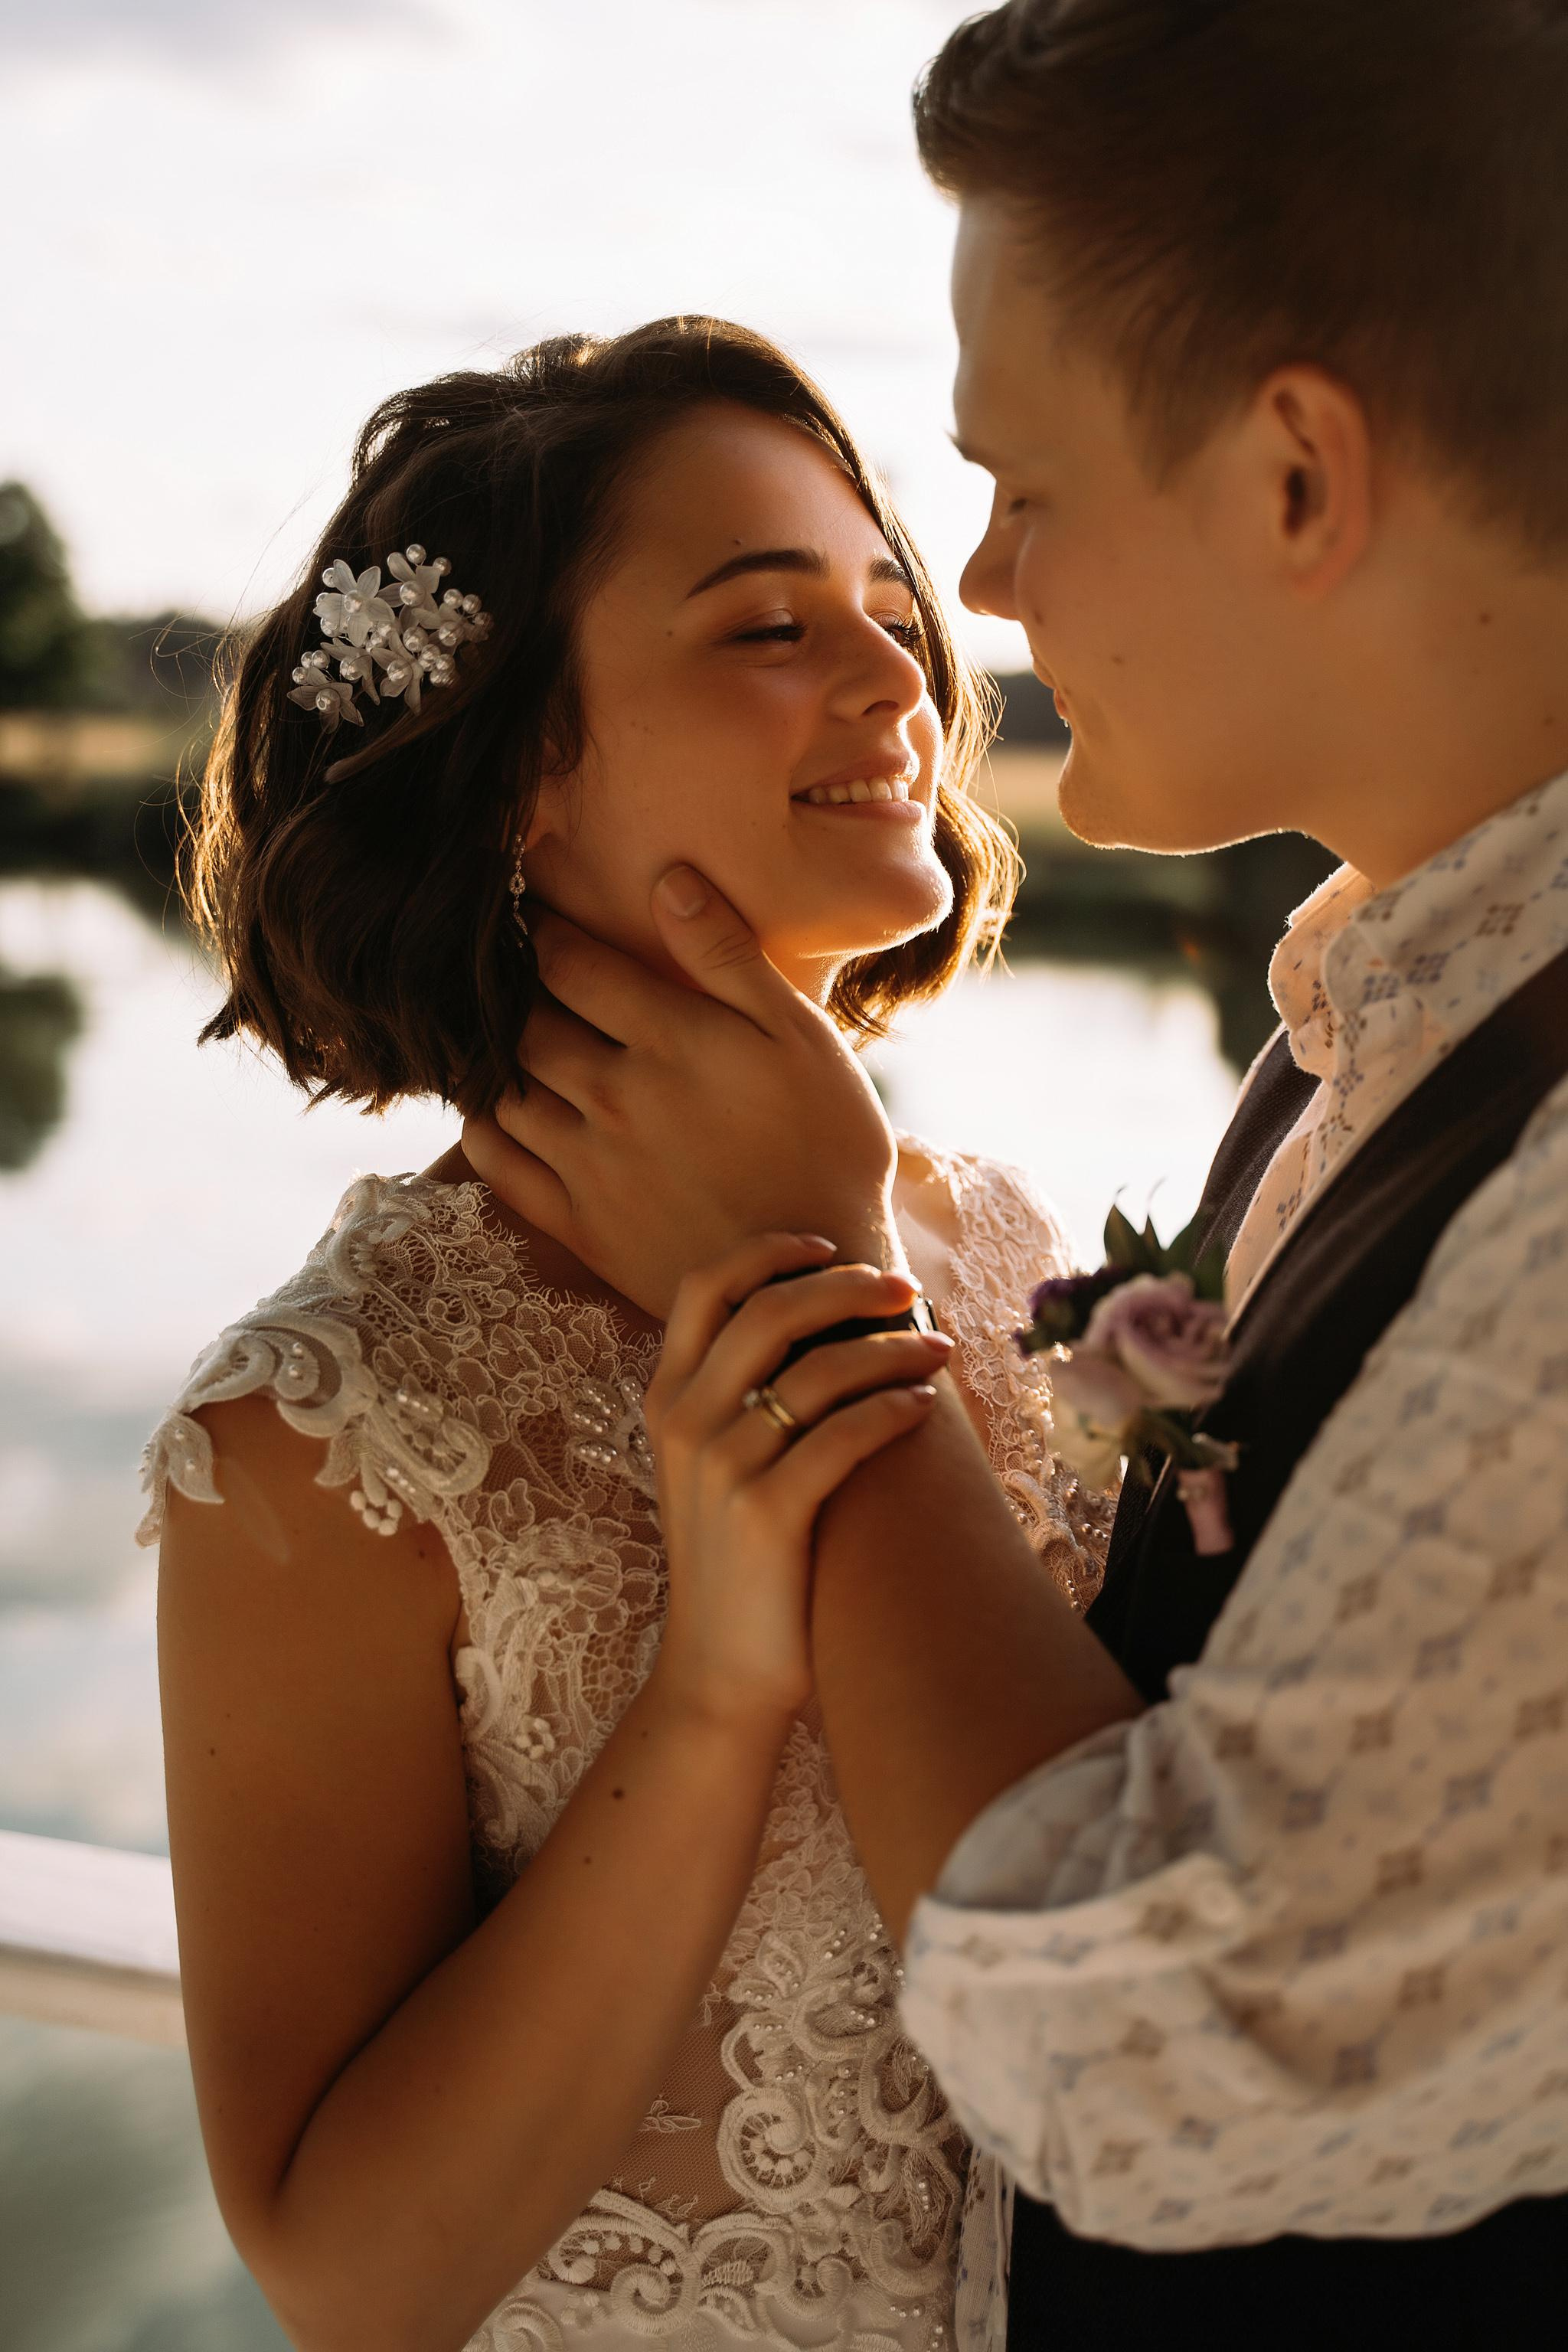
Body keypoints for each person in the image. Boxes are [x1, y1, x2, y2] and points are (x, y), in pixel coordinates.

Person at [459, 4, 1568, 2344]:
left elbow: (1142, 2054)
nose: (975, 593)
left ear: (1293, 478)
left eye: (1023, 483)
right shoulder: (1374, 1014)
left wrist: (790, 1258)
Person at [142, 316, 1115, 2352]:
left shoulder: (1016, 1256)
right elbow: (349, 2279)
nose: (906, 682)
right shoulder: (331, 1431)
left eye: (886, 605)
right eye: (770, 627)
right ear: (524, 777)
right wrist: (706, 1700)